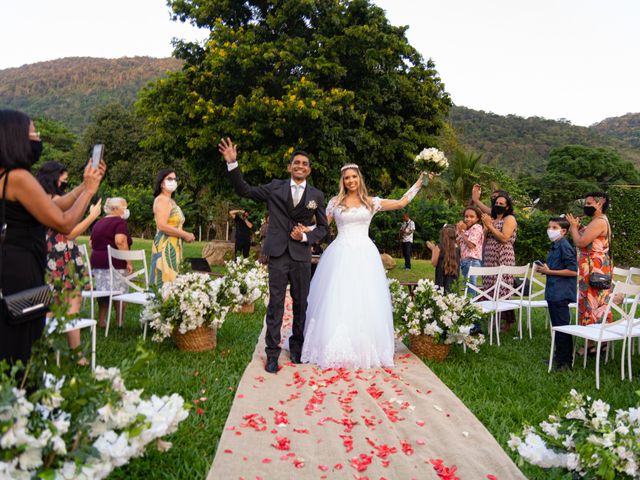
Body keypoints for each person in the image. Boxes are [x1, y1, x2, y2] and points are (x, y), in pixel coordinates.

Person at [0, 109, 104, 367]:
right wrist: (89, 193)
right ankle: (23, 396)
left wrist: (83, 184)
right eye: (33, 132)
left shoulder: (5, 177)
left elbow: (55, 204)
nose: (37, 138)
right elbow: (64, 222)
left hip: (10, 267)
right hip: (23, 273)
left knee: (12, 336)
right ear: (14, 138)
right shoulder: (19, 177)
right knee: (26, 338)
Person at [301, 164, 429, 369]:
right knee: (337, 297)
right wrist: (304, 230)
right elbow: (322, 226)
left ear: (359, 178)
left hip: (365, 254)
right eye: (346, 178)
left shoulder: (371, 202)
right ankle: (330, 343)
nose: (350, 181)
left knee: (364, 298)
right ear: (342, 181)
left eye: (354, 177)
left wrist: (420, 182)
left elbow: (401, 203)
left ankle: (363, 346)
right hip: (339, 254)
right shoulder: (335, 202)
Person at [219, 138, 329, 374]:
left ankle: (297, 348)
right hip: (278, 254)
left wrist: (305, 237)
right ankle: (272, 353)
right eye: (296, 163)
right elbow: (244, 190)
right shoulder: (275, 187)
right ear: (290, 167)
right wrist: (232, 164)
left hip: (301, 256)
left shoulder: (316, 196)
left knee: (301, 304)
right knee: (276, 304)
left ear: (309, 170)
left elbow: (323, 229)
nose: (300, 166)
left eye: (305, 164)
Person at [36, 161, 102, 365]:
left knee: (57, 305)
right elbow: (69, 230)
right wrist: (92, 216)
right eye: (63, 182)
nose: (65, 185)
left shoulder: (40, 197)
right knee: (67, 304)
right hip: (58, 256)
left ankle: (46, 350)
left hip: (56, 255)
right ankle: (76, 355)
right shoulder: (49, 200)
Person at [535, 217, 577, 371]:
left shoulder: (564, 246)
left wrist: (549, 271)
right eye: (549, 227)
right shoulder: (555, 245)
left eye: (554, 227)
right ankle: (559, 357)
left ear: (564, 231)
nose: (550, 230)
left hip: (561, 292)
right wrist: (545, 269)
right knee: (557, 327)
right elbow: (555, 268)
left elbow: (573, 270)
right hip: (553, 291)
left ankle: (565, 362)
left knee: (562, 327)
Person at [566, 192, 612, 334]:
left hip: (594, 267)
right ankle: (594, 341)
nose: (586, 206)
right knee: (593, 301)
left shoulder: (599, 222)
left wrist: (574, 228)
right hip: (593, 266)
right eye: (586, 203)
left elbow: (581, 242)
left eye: (589, 203)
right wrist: (577, 228)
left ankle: (593, 342)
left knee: (592, 302)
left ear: (600, 203)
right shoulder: (596, 221)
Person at [89, 197, 132, 328]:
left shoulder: (98, 223)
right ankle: (120, 322)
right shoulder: (120, 222)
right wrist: (128, 261)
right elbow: (120, 241)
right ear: (116, 209)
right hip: (114, 264)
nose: (126, 210)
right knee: (120, 293)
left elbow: (91, 244)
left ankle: (102, 321)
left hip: (97, 264)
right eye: (124, 207)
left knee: (103, 293)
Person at [150, 169, 195, 287]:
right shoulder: (161, 200)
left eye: (175, 179)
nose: (173, 181)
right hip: (165, 246)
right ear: (161, 183)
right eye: (169, 179)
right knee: (164, 284)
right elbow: (162, 225)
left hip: (173, 246)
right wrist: (184, 234)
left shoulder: (171, 201)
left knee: (173, 283)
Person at [480, 192, 517, 331]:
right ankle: (492, 319)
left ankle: (507, 323)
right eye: (496, 203)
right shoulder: (492, 220)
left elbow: (504, 238)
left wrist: (489, 226)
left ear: (507, 207)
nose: (498, 205)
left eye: (502, 204)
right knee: (489, 286)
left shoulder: (510, 219)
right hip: (489, 257)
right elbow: (484, 239)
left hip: (503, 256)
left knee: (503, 289)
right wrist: (486, 227)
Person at [456, 206, 484, 288]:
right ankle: (472, 300)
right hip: (465, 261)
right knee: (468, 285)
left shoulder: (477, 228)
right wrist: (459, 231)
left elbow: (471, 245)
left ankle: (471, 301)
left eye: (472, 217)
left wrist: (461, 232)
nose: (468, 219)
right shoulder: (467, 230)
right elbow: (457, 244)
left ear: (477, 218)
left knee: (470, 285)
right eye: (466, 216)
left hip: (472, 261)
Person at [426, 224, 460, 293]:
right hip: (453, 282)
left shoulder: (439, 247)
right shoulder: (458, 248)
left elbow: (434, 263)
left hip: (441, 281)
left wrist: (433, 249)